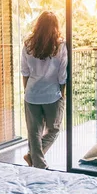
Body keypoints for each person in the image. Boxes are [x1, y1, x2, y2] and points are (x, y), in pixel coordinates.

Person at [21, 11, 67, 169]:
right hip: (52, 95)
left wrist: (26, 90)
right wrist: (63, 93)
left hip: (32, 93)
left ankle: (33, 157)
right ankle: (39, 164)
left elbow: (25, 71)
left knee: (34, 133)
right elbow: (62, 75)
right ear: (56, 27)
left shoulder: (28, 44)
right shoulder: (60, 45)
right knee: (54, 129)